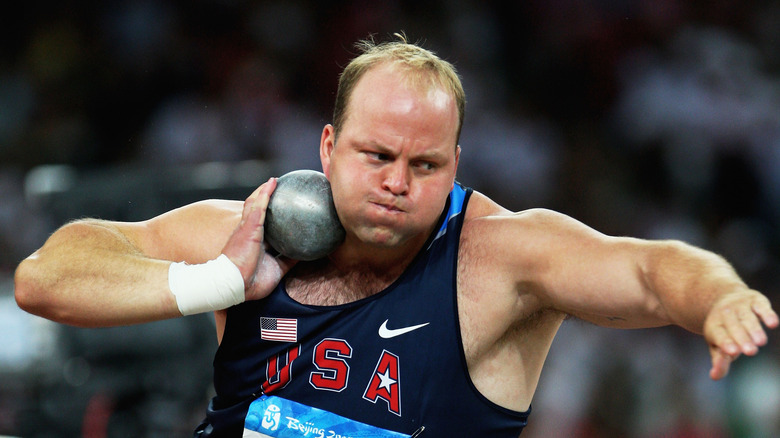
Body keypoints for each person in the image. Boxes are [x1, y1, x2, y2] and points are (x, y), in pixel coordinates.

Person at [14, 34, 777, 437]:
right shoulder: (254, 235)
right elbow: (47, 275)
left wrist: (717, 299)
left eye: (425, 164)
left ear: (456, 164)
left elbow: (653, 268)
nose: (397, 183)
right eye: (376, 155)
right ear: (326, 148)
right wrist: (218, 284)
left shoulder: (502, 257)